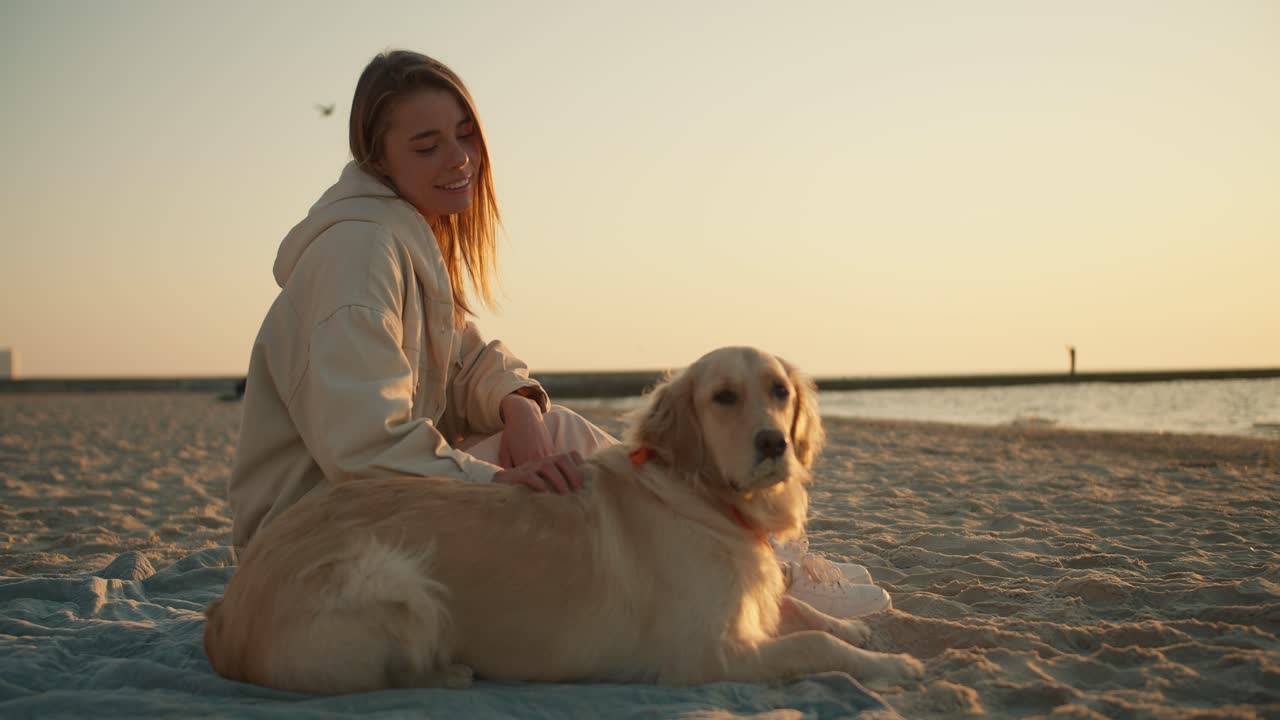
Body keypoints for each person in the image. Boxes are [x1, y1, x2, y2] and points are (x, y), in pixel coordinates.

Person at [228, 49, 887, 619]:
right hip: (311, 541)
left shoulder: (404, 237)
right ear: (378, 157)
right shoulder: (360, 254)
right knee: (575, 473)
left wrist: (518, 406)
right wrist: (496, 483)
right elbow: (363, 444)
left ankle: (754, 557)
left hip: (363, 509)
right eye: (427, 146)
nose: (459, 159)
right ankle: (743, 568)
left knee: (558, 435)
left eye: (465, 135)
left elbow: (467, 361)